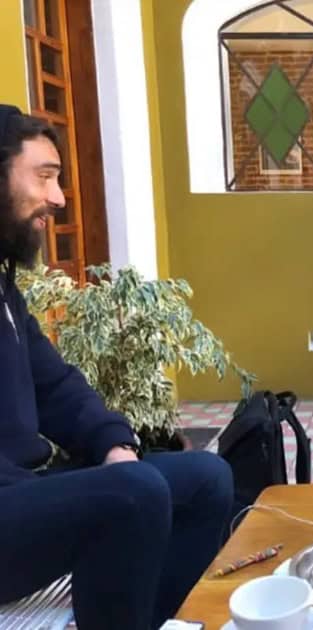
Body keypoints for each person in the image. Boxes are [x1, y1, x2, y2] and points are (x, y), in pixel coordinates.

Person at [0, 104, 233, 630]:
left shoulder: (3, 289)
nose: (57, 199)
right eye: (45, 177)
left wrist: (115, 446)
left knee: (205, 476)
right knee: (135, 494)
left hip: (21, 494)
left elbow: (56, 387)